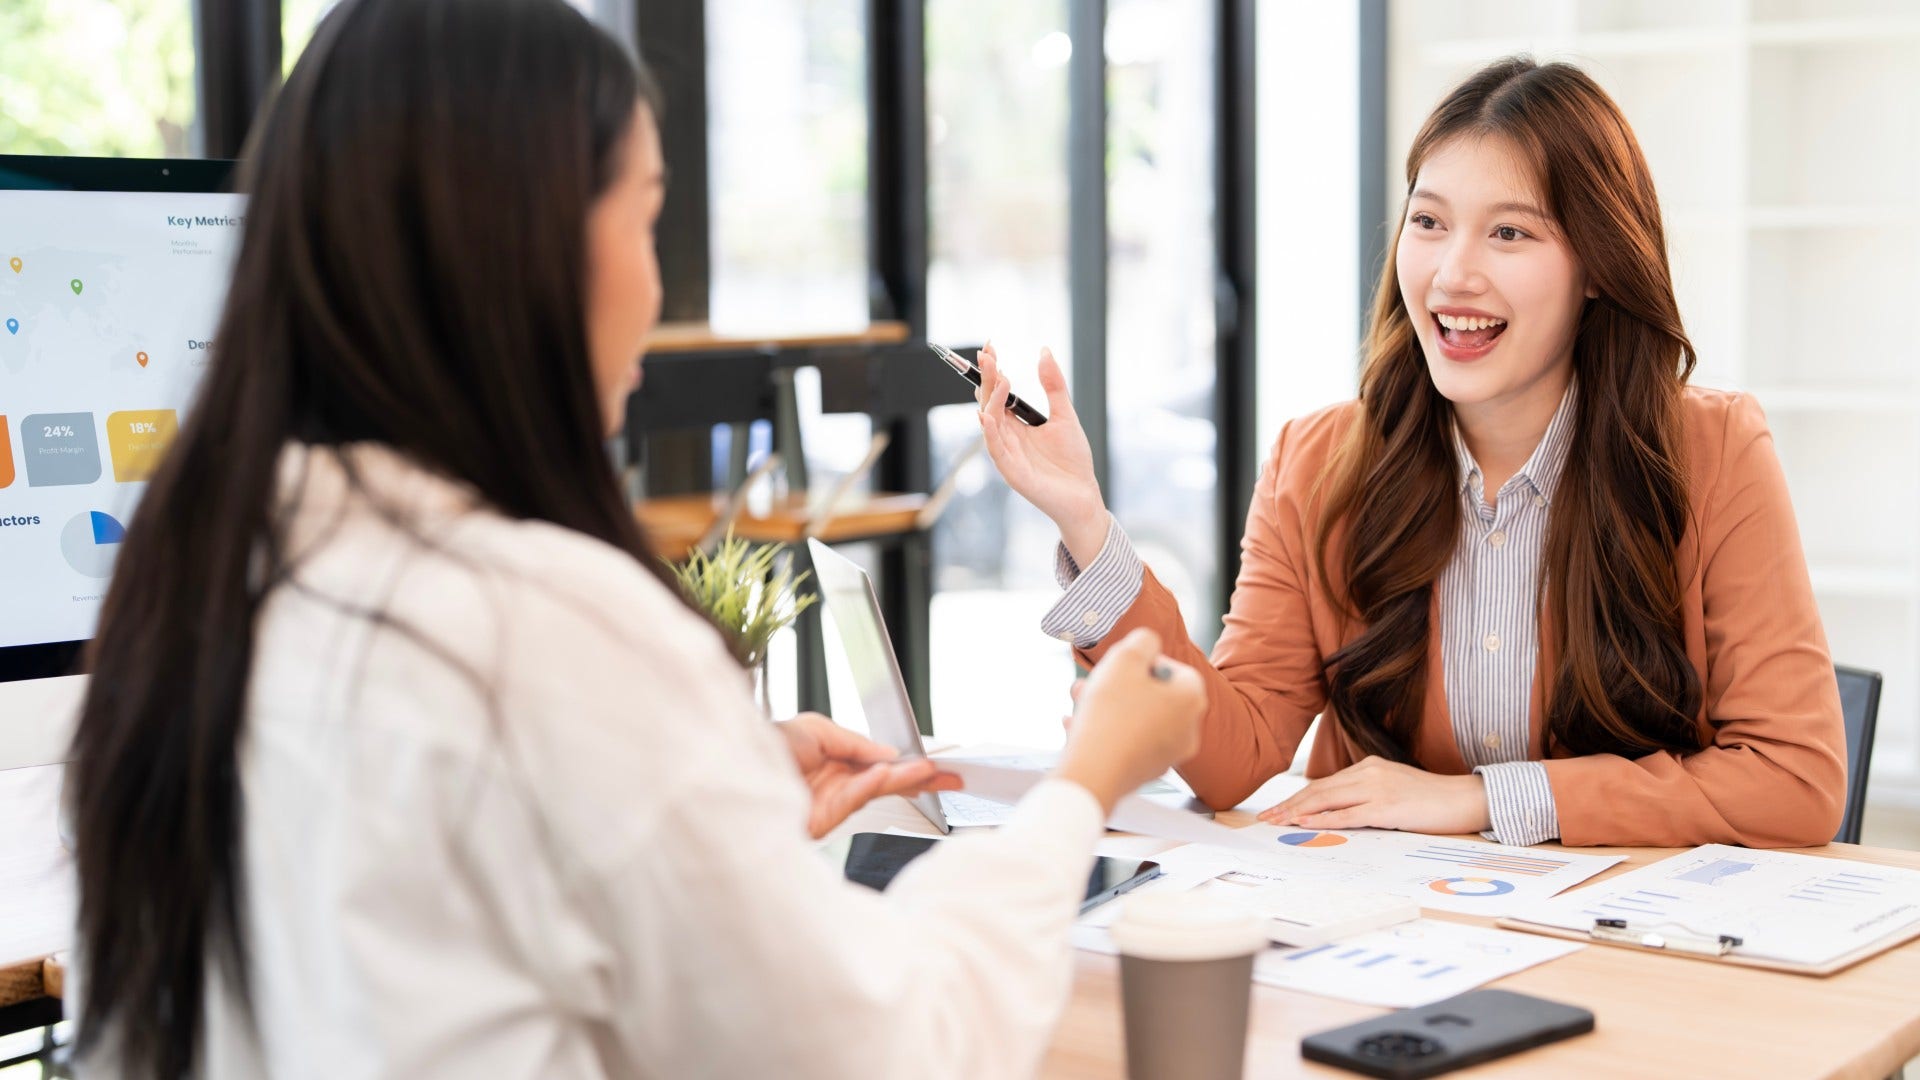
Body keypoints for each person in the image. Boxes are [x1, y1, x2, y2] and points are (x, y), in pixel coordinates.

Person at [64, 1, 1206, 1077]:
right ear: (528, 248)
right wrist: (1085, 785)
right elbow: (890, 1046)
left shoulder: (206, 571)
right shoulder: (540, 626)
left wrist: (696, 803)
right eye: (646, 217)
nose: (657, 285)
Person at [976, 55, 1845, 851]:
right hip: (1389, 935)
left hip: (1636, 953)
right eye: (1429, 222)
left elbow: (1795, 781)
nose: (1452, 274)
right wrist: (1085, 524)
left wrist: (1481, 799)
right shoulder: (1317, 463)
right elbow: (1234, 752)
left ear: (1596, 267)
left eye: (1510, 233)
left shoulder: (1711, 450)